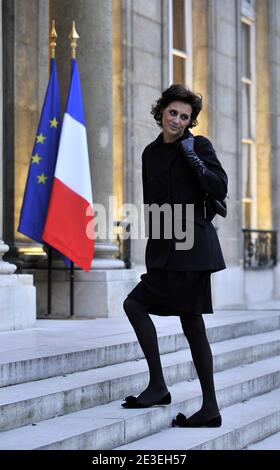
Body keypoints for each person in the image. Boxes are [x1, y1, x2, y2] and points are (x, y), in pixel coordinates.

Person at [122, 84, 228, 428]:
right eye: (173, 113)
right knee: (136, 305)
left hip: (194, 249)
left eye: (185, 116)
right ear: (161, 112)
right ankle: (159, 385)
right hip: (165, 249)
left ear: (190, 121)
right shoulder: (150, 154)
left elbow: (219, 187)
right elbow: (151, 205)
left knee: (192, 324)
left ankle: (208, 406)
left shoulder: (198, 145)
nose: (178, 120)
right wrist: (154, 251)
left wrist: (192, 156)